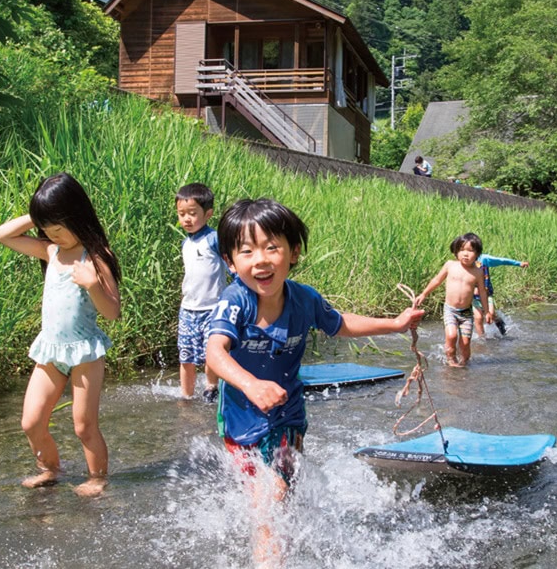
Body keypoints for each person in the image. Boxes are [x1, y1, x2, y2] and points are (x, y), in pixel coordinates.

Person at [205, 198, 424, 566]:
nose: (260, 260)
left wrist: (395, 324)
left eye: (272, 247)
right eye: (246, 251)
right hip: (239, 423)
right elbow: (214, 352)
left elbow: (339, 324)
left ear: (293, 253)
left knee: (274, 500)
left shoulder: (304, 300)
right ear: (230, 261)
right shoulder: (235, 301)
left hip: (288, 417)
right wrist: (251, 384)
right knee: (263, 504)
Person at [0, 173, 121, 498]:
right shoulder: (50, 252)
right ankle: (50, 470)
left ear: (77, 217)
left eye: (58, 230)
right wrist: (37, 216)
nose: (53, 237)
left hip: (85, 353)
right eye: (46, 231)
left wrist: (93, 284)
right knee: (31, 422)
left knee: (83, 425)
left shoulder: (95, 257)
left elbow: (112, 313)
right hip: (50, 350)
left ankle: (97, 478)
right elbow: (2, 235)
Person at [175, 182, 230, 401]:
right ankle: (186, 396)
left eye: (192, 213)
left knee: (212, 353)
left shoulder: (214, 239)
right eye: (181, 214)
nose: (186, 219)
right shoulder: (185, 243)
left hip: (213, 308)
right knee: (186, 356)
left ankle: (210, 387)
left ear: (208, 214)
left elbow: (231, 265)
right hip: (188, 309)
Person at [414, 232, 490, 367]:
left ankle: (464, 363)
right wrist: (424, 294)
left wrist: (487, 312)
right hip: (450, 310)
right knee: (451, 336)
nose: (465, 254)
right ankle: (451, 361)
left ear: (477, 254)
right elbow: (437, 280)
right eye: (462, 250)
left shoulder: (478, 272)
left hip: (466, 313)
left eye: (470, 251)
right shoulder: (450, 265)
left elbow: (483, 293)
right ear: (455, 251)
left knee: (465, 343)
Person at [473, 253, 529, 337]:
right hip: (473, 297)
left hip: (487, 295)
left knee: (491, 315)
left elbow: (501, 261)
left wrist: (518, 263)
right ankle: (482, 339)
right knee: (478, 318)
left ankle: (501, 324)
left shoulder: (483, 259)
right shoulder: (462, 263)